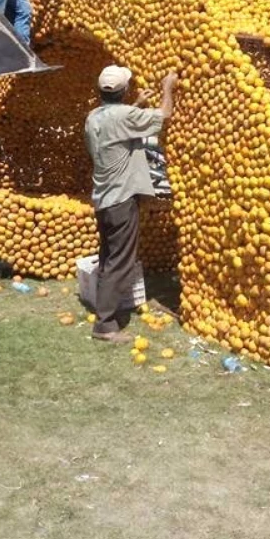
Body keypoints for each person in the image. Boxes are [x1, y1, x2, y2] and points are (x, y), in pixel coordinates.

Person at [85, 66, 178, 343]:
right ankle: (105, 325)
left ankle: (105, 309)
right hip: (121, 199)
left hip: (103, 198)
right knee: (120, 261)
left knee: (108, 256)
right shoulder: (124, 116)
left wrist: (136, 104)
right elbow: (165, 115)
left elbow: (116, 124)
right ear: (124, 90)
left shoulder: (93, 117)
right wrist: (168, 88)